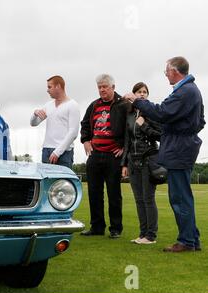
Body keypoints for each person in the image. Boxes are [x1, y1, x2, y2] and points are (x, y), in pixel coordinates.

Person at [124, 56, 205, 252]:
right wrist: (184, 132)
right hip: (183, 146)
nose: (165, 74)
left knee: (179, 197)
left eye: (167, 71)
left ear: (175, 71)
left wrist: (138, 101)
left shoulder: (184, 91)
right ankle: (192, 239)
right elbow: (201, 121)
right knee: (183, 196)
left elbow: (161, 113)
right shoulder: (191, 90)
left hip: (179, 149)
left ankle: (186, 241)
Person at [80, 74, 130, 238]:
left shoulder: (123, 105)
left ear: (113, 87)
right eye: (99, 87)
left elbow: (130, 129)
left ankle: (116, 229)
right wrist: (86, 140)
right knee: (94, 193)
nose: (102, 90)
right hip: (95, 154)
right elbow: (85, 124)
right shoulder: (94, 105)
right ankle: (97, 227)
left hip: (113, 156)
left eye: (105, 87)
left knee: (114, 194)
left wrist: (123, 147)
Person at [121, 82, 162, 245]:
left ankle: (151, 236)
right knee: (138, 199)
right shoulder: (129, 115)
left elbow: (160, 135)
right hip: (133, 160)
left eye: (145, 92)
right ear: (134, 95)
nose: (142, 94)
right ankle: (142, 233)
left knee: (148, 198)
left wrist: (144, 125)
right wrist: (124, 163)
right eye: (139, 91)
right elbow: (127, 141)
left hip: (149, 159)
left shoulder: (152, 114)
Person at [30, 75, 80, 169]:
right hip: (47, 150)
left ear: (58, 86)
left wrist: (57, 152)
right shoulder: (48, 105)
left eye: (49, 87)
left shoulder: (73, 105)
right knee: (46, 183)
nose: (47, 90)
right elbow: (33, 123)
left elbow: (73, 133)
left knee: (63, 182)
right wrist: (35, 113)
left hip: (64, 152)